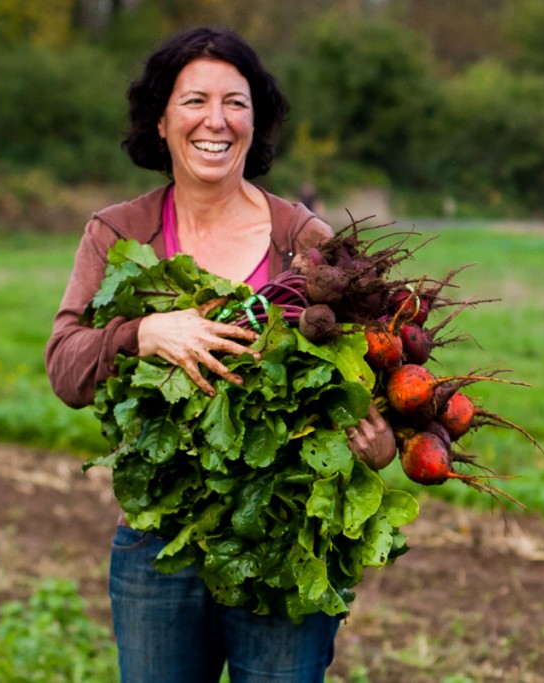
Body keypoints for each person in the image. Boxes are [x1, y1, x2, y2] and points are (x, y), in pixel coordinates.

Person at [44, 27, 396, 683]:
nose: (216, 120)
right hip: (159, 544)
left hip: (285, 539)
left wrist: (380, 444)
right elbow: (66, 367)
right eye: (195, 100)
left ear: (255, 122)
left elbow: (369, 377)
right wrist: (142, 333)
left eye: (235, 102)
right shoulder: (119, 231)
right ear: (161, 119)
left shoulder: (307, 240)